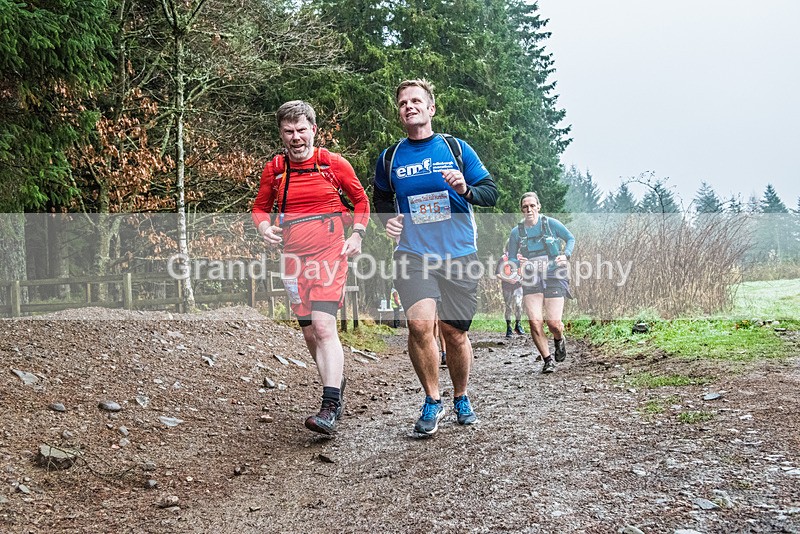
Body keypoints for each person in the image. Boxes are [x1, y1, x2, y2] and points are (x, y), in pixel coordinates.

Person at [373, 79, 498, 435]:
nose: (408, 106)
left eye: (415, 101)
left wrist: (465, 188)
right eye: (402, 103)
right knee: (419, 325)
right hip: (413, 253)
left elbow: (490, 193)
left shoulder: (456, 148)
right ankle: (432, 399)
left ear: (431, 109)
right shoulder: (390, 157)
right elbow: (380, 198)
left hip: (460, 253)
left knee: (454, 334)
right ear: (399, 112)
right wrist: (388, 220)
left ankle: (461, 396)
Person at [252, 100, 369, 435]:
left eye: (301, 130)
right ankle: (335, 383)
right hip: (291, 259)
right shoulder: (274, 169)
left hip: (329, 253)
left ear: (313, 130)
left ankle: (329, 404)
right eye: (288, 131)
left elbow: (361, 201)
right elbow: (259, 208)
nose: (296, 137)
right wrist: (264, 229)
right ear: (281, 133)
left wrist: (358, 234)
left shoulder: (332, 164)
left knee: (322, 326)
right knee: (309, 332)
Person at [506, 192, 575, 374]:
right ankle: (547, 360)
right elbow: (511, 257)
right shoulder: (517, 232)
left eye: (532, 206)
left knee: (553, 323)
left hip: (554, 274)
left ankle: (559, 339)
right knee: (535, 322)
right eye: (525, 207)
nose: (529, 209)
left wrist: (565, 255)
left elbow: (570, 238)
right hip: (531, 277)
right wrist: (517, 263)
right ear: (522, 209)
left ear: (538, 206)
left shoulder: (551, 224)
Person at [495, 251, 525, 338]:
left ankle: (518, 324)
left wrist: (523, 277)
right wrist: (508, 280)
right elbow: (497, 274)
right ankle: (509, 327)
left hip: (518, 286)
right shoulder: (503, 259)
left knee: (518, 305)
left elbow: (526, 271)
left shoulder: (520, 257)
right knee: (508, 307)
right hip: (506, 286)